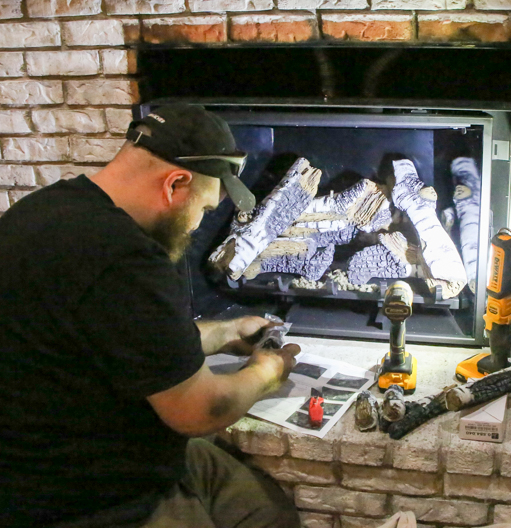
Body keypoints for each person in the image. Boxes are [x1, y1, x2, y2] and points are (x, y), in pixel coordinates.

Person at [0, 104, 301, 528]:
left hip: (114, 454)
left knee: (266, 511)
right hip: (87, 499)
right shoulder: (122, 259)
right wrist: (267, 372)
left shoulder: (49, 210)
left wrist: (227, 332)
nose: (199, 224)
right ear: (175, 184)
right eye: (204, 209)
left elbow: (137, 342)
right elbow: (201, 411)